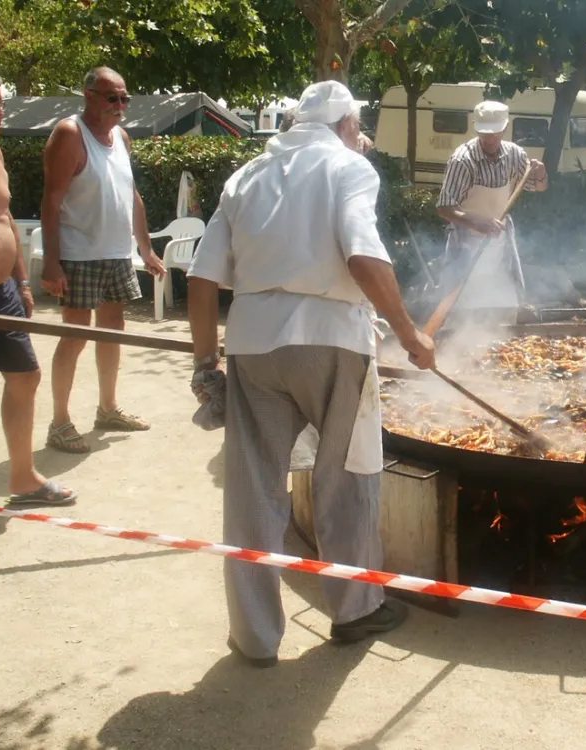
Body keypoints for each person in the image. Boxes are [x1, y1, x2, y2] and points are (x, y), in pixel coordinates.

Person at [187, 80, 436, 667]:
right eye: (359, 127)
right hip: (331, 340)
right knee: (346, 478)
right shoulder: (349, 168)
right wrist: (409, 332)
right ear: (346, 124)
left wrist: (205, 364)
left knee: (253, 490)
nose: (361, 137)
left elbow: (201, 279)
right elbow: (363, 255)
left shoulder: (245, 176)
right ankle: (355, 611)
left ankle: (254, 636)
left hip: (252, 343)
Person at [39, 67, 165, 454]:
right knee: (74, 336)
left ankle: (107, 409)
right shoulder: (69, 134)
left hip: (115, 254)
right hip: (79, 256)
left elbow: (132, 196)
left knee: (114, 330)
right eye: (113, 98)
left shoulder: (121, 137)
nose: (121, 106)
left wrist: (145, 250)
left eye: (125, 98)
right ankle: (59, 423)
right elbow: (51, 201)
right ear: (89, 95)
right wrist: (52, 263)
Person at [0, 74, 77, 529]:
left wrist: (22, 281)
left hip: (1, 289)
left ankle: (22, 479)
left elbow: (3, 216)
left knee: (25, 376)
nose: (0, 113)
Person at [435, 101, 548, 326]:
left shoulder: (514, 154)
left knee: (505, 311)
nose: (490, 140)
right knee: (463, 312)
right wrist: (475, 221)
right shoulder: (463, 160)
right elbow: (444, 207)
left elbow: (539, 187)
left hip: (500, 245)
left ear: (504, 130)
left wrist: (541, 172)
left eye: (495, 134)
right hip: (466, 246)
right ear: (476, 129)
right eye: (485, 134)